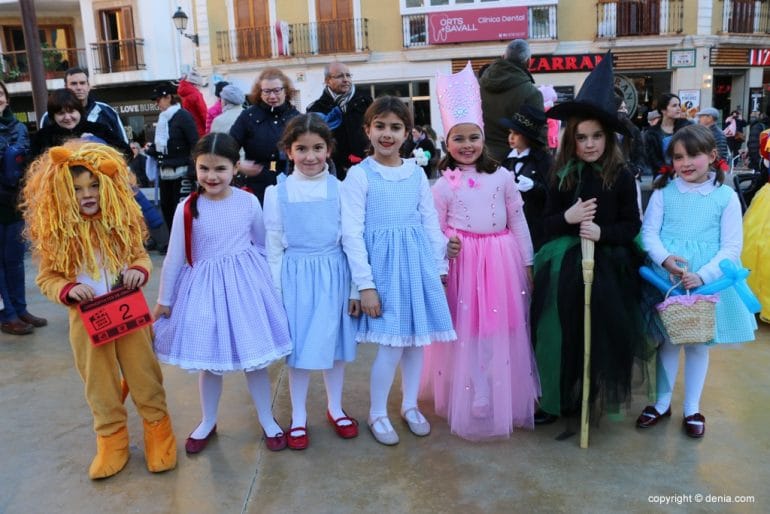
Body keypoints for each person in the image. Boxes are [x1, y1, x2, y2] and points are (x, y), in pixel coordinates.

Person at [22, 141, 176, 479]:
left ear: (108, 186)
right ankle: (111, 439)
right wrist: (67, 289)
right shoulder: (56, 235)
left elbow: (139, 255)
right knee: (99, 384)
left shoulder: (121, 223)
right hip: (88, 322)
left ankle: (158, 430)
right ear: (61, 194)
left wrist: (140, 269)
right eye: (76, 189)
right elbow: (47, 277)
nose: (86, 194)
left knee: (144, 375)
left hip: (130, 314)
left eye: (93, 186)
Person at [152, 133, 292, 454]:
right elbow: (174, 256)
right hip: (203, 291)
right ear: (195, 166)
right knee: (209, 363)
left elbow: (260, 242)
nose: (211, 177)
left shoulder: (247, 201)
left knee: (254, 361)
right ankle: (208, 420)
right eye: (204, 169)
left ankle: (267, 418)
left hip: (245, 289)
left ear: (234, 167)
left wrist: (272, 285)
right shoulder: (187, 207)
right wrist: (164, 300)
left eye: (220, 169)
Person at [531, 53, 649, 426]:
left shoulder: (622, 176)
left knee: (600, 333)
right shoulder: (560, 174)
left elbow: (632, 224)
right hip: (565, 264)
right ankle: (561, 394)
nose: (590, 143)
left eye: (597, 136)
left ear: (608, 137)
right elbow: (546, 224)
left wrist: (602, 232)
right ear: (572, 139)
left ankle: (592, 394)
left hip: (609, 264)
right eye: (581, 137)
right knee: (560, 328)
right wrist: (568, 218)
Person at [423, 63, 539, 441]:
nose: (467, 145)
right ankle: (476, 391)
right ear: (447, 144)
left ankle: (497, 387)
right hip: (465, 265)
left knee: (498, 332)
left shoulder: (503, 177)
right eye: (459, 138)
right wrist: (445, 250)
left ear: (484, 137)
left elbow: (518, 221)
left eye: (473, 137)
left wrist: (527, 261)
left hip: (499, 262)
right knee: (467, 334)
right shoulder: (442, 186)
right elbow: (433, 230)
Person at [340, 96, 456, 446]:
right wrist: (365, 286)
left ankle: (408, 405)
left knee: (416, 344)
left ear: (408, 132)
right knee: (391, 346)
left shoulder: (416, 173)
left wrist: (439, 263)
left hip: (415, 266)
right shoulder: (359, 175)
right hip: (383, 272)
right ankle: (377, 412)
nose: (387, 134)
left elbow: (429, 221)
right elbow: (351, 233)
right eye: (380, 126)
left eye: (395, 127)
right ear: (368, 130)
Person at [636, 124, 757, 438]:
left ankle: (692, 407)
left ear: (712, 155)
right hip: (667, 278)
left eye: (694, 155)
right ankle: (662, 403)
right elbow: (648, 233)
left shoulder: (725, 196)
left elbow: (731, 246)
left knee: (698, 343)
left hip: (705, 282)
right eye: (678, 157)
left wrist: (702, 275)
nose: (685, 162)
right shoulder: (664, 192)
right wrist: (664, 259)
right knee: (667, 340)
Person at [263, 114, 361, 450]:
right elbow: (273, 247)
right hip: (296, 278)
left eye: (318, 148)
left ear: (329, 150)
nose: (310, 156)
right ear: (288, 151)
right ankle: (299, 416)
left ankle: (335, 407)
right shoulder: (277, 193)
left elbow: (351, 238)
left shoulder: (341, 188)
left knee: (334, 348)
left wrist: (354, 288)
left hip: (334, 273)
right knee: (300, 350)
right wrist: (276, 294)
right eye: (301, 148)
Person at [0, 80, 47, 335]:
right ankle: (6, 314)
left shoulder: (17, 126)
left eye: (0, 93)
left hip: (14, 202)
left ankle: (20, 309)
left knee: (15, 262)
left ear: (6, 98)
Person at [230, 68, 300, 204]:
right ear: (260, 93)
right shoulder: (248, 116)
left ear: (285, 91)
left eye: (277, 90)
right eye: (267, 91)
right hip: (255, 184)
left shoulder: (296, 117)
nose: (272, 96)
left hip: (290, 181)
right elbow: (228, 145)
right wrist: (238, 165)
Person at [145, 83, 199, 234]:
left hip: (182, 173)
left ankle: (188, 247)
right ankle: (174, 245)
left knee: (182, 211)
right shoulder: (163, 119)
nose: (156, 104)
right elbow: (165, 146)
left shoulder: (183, 116)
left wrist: (193, 168)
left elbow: (195, 143)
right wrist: (152, 151)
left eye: (158, 100)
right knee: (167, 210)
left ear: (168, 97)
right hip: (165, 173)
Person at [479, 39, 544, 162]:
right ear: (528, 62)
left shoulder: (477, 86)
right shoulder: (531, 93)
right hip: (515, 163)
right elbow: (539, 136)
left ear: (503, 57)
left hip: (481, 158)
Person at [499, 104, 553, 251]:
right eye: (510, 132)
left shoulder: (543, 160)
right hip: (510, 223)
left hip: (534, 223)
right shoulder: (507, 159)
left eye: (516, 133)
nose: (510, 137)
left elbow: (552, 192)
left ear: (527, 136)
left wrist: (535, 187)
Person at [307, 62, 373, 180]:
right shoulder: (316, 109)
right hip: (333, 170)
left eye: (348, 75)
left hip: (365, 166)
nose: (346, 79)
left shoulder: (366, 102)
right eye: (340, 76)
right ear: (327, 80)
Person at [30, 89, 129, 160]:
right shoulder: (42, 137)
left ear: (79, 111)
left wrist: (96, 142)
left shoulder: (98, 129)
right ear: (53, 116)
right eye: (61, 113)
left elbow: (127, 153)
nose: (67, 117)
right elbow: (30, 167)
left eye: (71, 111)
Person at [39, 67, 128, 144]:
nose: (79, 87)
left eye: (82, 83)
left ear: (88, 86)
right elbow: (44, 152)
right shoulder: (49, 116)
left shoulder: (107, 111)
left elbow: (123, 146)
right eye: (73, 84)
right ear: (65, 87)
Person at [644, 93, 692, 177]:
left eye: (679, 105)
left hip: (686, 173)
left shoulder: (686, 127)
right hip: (662, 176)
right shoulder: (652, 133)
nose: (679, 108)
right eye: (674, 106)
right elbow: (653, 159)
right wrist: (668, 171)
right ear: (663, 110)